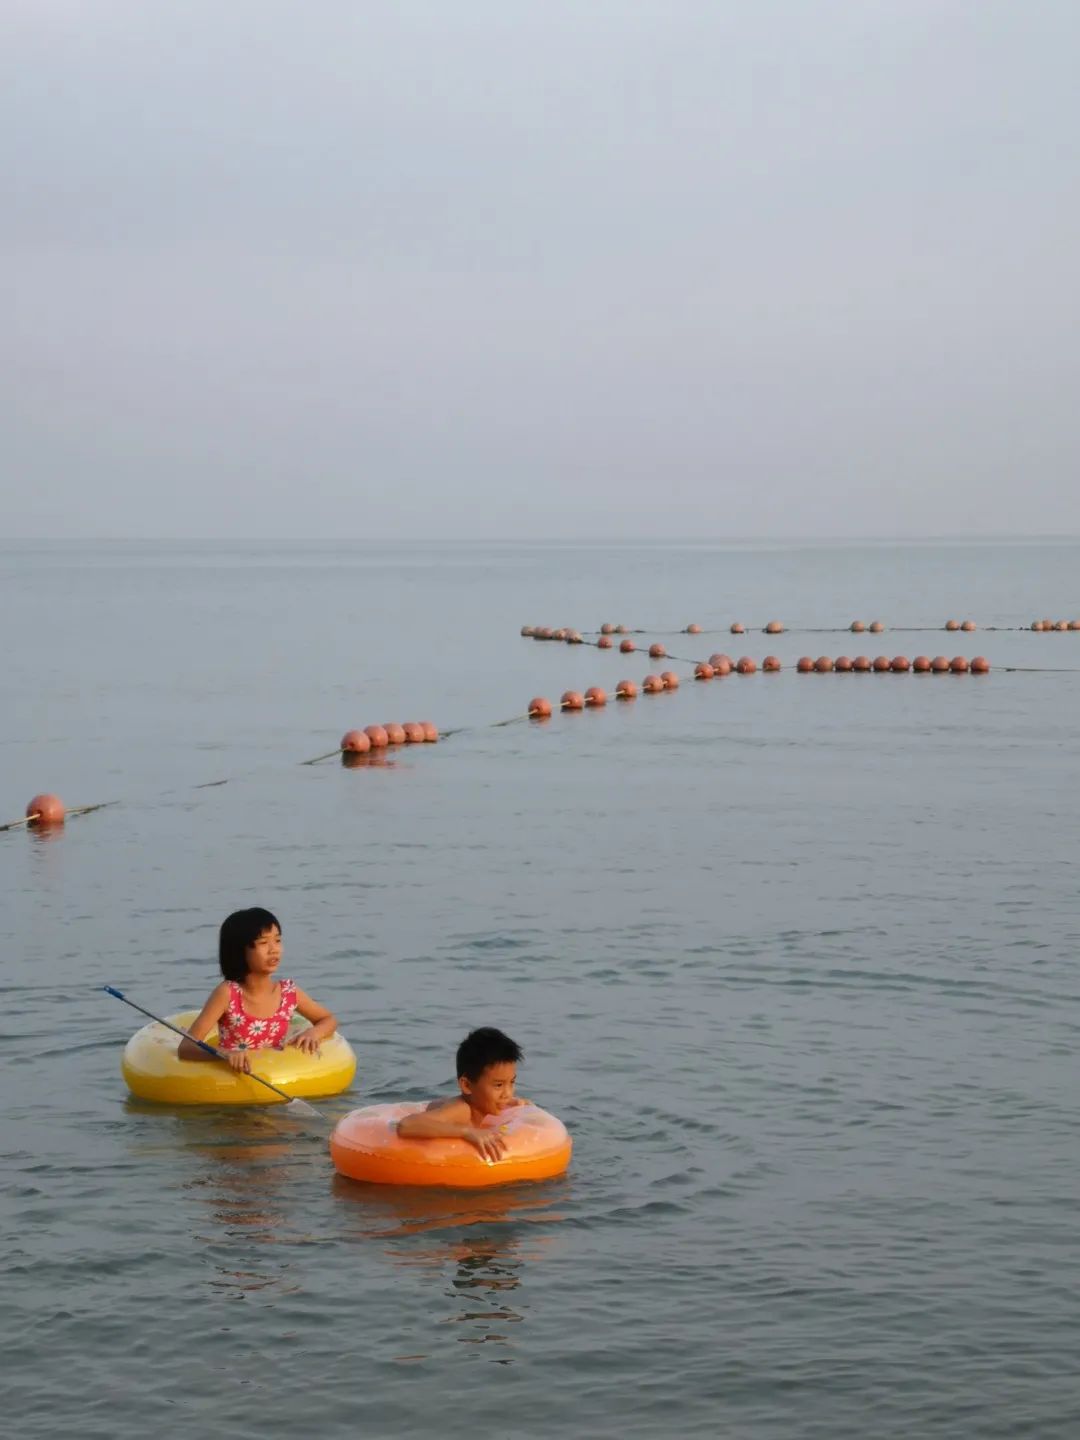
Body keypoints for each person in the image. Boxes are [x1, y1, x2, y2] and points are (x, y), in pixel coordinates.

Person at [178, 907, 337, 1073]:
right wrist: (224, 1053)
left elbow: (328, 1019)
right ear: (240, 951)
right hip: (234, 1080)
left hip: (276, 1077)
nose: (274, 949)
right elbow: (186, 1047)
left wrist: (314, 1033)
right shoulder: (227, 994)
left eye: (277, 940)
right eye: (263, 943)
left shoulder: (288, 992)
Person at [397, 1027, 528, 1160]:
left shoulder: (482, 1103)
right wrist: (466, 1132)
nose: (507, 1093)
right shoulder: (462, 1110)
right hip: (435, 1114)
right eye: (499, 1085)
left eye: (512, 1082)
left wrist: (512, 1102)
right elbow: (405, 1125)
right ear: (466, 1085)